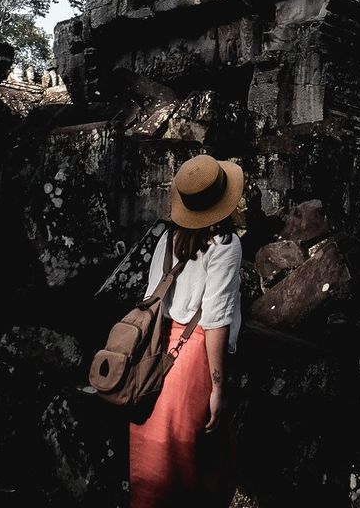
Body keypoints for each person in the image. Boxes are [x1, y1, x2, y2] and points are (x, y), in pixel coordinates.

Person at [129, 153, 245, 508]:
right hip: (192, 356)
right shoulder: (226, 246)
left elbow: (152, 300)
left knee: (153, 456)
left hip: (155, 350)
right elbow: (215, 320)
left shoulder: (168, 239)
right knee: (193, 463)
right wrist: (219, 387)